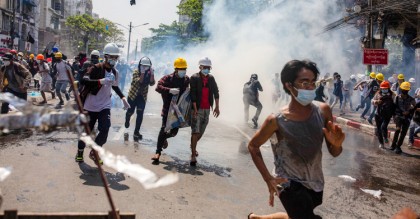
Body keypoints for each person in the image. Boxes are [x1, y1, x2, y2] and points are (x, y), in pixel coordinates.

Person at [248, 60, 344, 219]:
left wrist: (337, 145)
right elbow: (253, 146)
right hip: (287, 182)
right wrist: (268, 179)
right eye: (304, 82)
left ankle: (258, 218)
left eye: (313, 82)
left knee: (297, 215)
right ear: (289, 85)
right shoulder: (276, 120)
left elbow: (334, 152)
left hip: (314, 180)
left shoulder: (323, 111)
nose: (310, 87)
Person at [75, 43, 130, 163]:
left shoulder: (115, 72)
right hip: (90, 106)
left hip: (105, 105)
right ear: (105, 56)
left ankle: (94, 151)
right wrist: (100, 81)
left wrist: (123, 98)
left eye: (116, 57)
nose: (114, 60)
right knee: (87, 132)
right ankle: (80, 151)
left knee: (105, 129)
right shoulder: (95, 68)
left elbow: (115, 87)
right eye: (112, 57)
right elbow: (85, 80)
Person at [151, 57, 190, 164]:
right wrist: (169, 90)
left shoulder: (186, 79)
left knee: (173, 132)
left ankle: (163, 139)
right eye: (181, 69)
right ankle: (157, 152)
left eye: (184, 69)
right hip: (167, 109)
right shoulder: (168, 78)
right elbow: (158, 87)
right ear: (176, 69)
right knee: (164, 128)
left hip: (178, 111)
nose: (183, 71)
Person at [189, 57, 220, 166]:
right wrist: (195, 109)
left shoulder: (211, 78)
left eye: (208, 68)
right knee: (195, 131)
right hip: (197, 109)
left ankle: (193, 145)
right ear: (200, 67)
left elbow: (216, 92)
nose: (206, 69)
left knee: (201, 132)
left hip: (207, 109)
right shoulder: (194, 78)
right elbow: (192, 94)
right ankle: (193, 155)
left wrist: (217, 107)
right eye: (205, 67)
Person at [125, 57, 155, 140]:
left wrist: (152, 74)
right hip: (133, 95)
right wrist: (142, 73)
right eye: (143, 66)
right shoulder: (136, 72)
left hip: (142, 96)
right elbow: (140, 81)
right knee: (130, 112)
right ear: (140, 65)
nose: (145, 67)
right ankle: (127, 119)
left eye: (147, 66)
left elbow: (152, 83)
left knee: (140, 113)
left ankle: (136, 131)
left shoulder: (149, 73)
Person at [391, 82, 416, 154]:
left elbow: (414, 107)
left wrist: (409, 111)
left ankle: (398, 146)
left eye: (406, 90)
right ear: (401, 89)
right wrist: (394, 116)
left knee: (403, 133)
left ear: (408, 90)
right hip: (398, 116)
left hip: (407, 118)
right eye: (404, 89)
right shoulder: (397, 97)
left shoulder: (411, 99)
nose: (405, 91)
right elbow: (394, 107)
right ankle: (393, 145)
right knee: (398, 129)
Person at [372, 81, 395, 148]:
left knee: (383, 127)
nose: (384, 89)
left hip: (387, 114)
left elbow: (395, 103)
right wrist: (375, 101)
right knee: (379, 129)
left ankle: (385, 137)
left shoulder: (392, 95)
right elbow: (372, 100)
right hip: (378, 114)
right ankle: (381, 143)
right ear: (381, 88)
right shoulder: (378, 93)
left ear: (388, 88)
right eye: (383, 88)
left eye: (386, 88)